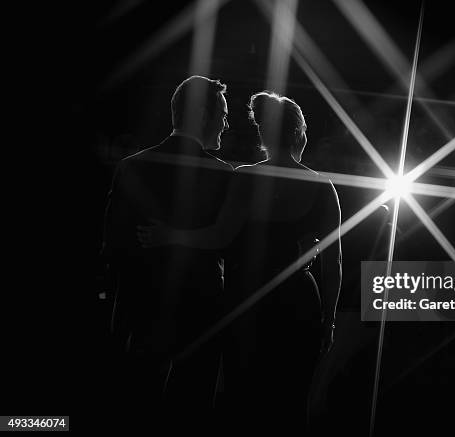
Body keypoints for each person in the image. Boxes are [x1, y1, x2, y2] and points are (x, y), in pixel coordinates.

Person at [137, 91, 342, 431]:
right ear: (299, 133)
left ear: (263, 134)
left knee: (243, 399)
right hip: (299, 303)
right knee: (292, 402)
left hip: (248, 303)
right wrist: (329, 320)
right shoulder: (323, 186)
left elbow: (218, 236)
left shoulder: (246, 177)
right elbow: (333, 262)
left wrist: (171, 234)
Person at [102, 76, 232, 416]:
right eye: (223, 112)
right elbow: (230, 245)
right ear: (202, 113)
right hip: (200, 317)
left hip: (140, 314)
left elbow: (113, 248)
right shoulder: (223, 174)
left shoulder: (132, 166)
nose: (226, 122)